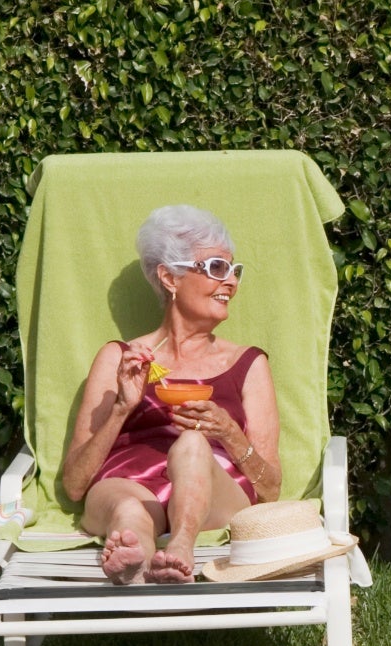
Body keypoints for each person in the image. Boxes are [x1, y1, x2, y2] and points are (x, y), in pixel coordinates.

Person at [62, 205, 282, 584]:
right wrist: (121, 408)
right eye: (216, 268)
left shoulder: (248, 363)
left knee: (194, 445)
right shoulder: (120, 358)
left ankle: (181, 546)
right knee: (129, 512)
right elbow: (75, 484)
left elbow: (270, 488)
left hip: (213, 492)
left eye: (234, 270)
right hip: (127, 482)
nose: (230, 281)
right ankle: (136, 559)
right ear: (170, 277)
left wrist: (227, 431)